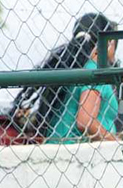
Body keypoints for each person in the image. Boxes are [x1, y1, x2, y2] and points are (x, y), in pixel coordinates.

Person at [39, 13, 118, 142]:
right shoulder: (96, 71)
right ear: (107, 42)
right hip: (73, 152)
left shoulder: (80, 68)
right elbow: (85, 121)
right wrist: (116, 144)